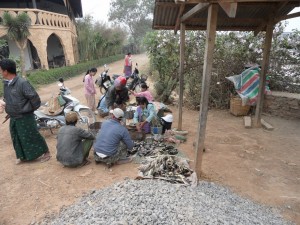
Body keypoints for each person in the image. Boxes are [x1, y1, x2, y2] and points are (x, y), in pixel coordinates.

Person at [0, 59, 51, 164]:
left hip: (25, 116)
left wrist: (28, 110)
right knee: (16, 136)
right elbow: (7, 98)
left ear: (5, 71)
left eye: (0, 70)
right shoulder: (6, 84)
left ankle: (46, 152)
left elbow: (35, 99)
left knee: (32, 134)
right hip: (13, 116)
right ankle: (22, 156)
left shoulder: (22, 83)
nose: (0, 72)